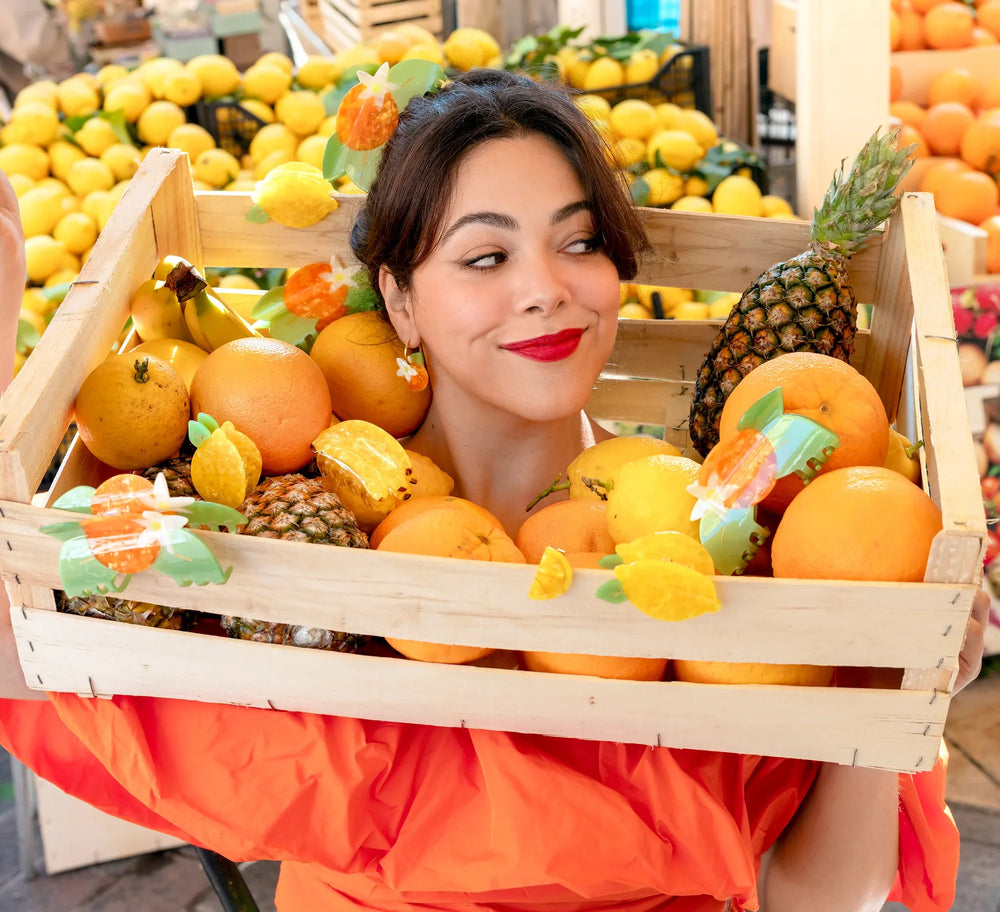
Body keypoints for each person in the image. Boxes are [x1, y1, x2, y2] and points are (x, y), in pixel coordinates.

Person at [0, 69, 990, 912]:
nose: (544, 289)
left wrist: (901, 681)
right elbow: (28, 650)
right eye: (485, 256)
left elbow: (814, 892)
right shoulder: (301, 547)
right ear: (399, 298)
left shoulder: (720, 537)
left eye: (579, 241)